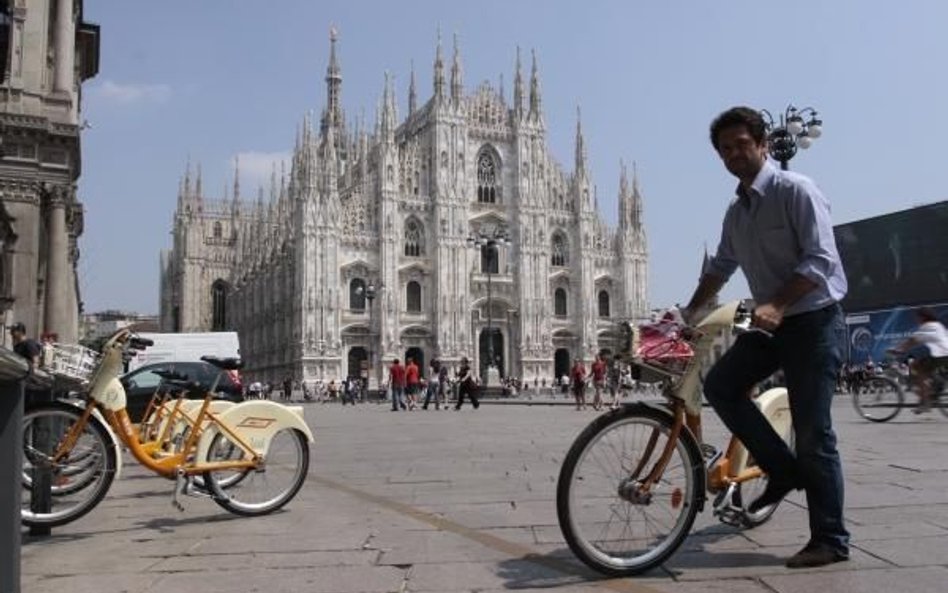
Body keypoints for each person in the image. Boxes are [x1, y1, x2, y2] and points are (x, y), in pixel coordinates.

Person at [681, 106, 850, 568]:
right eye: (724, 149)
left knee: (816, 434)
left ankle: (831, 539)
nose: (733, 154)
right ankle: (779, 467)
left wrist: (776, 304)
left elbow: (821, 261)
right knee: (720, 386)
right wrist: (691, 308)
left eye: (740, 144)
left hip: (812, 322)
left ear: (762, 144)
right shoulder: (737, 211)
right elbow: (721, 266)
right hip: (770, 325)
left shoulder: (796, 190)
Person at [889, 308, 948, 413]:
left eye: (918, 317)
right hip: (944, 354)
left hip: (940, 354)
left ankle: (925, 402)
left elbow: (913, 340)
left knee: (915, 367)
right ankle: (935, 387)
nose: (917, 320)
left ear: (923, 317)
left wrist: (898, 350)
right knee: (924, 367)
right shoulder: (938, 325)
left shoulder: (927, 326)